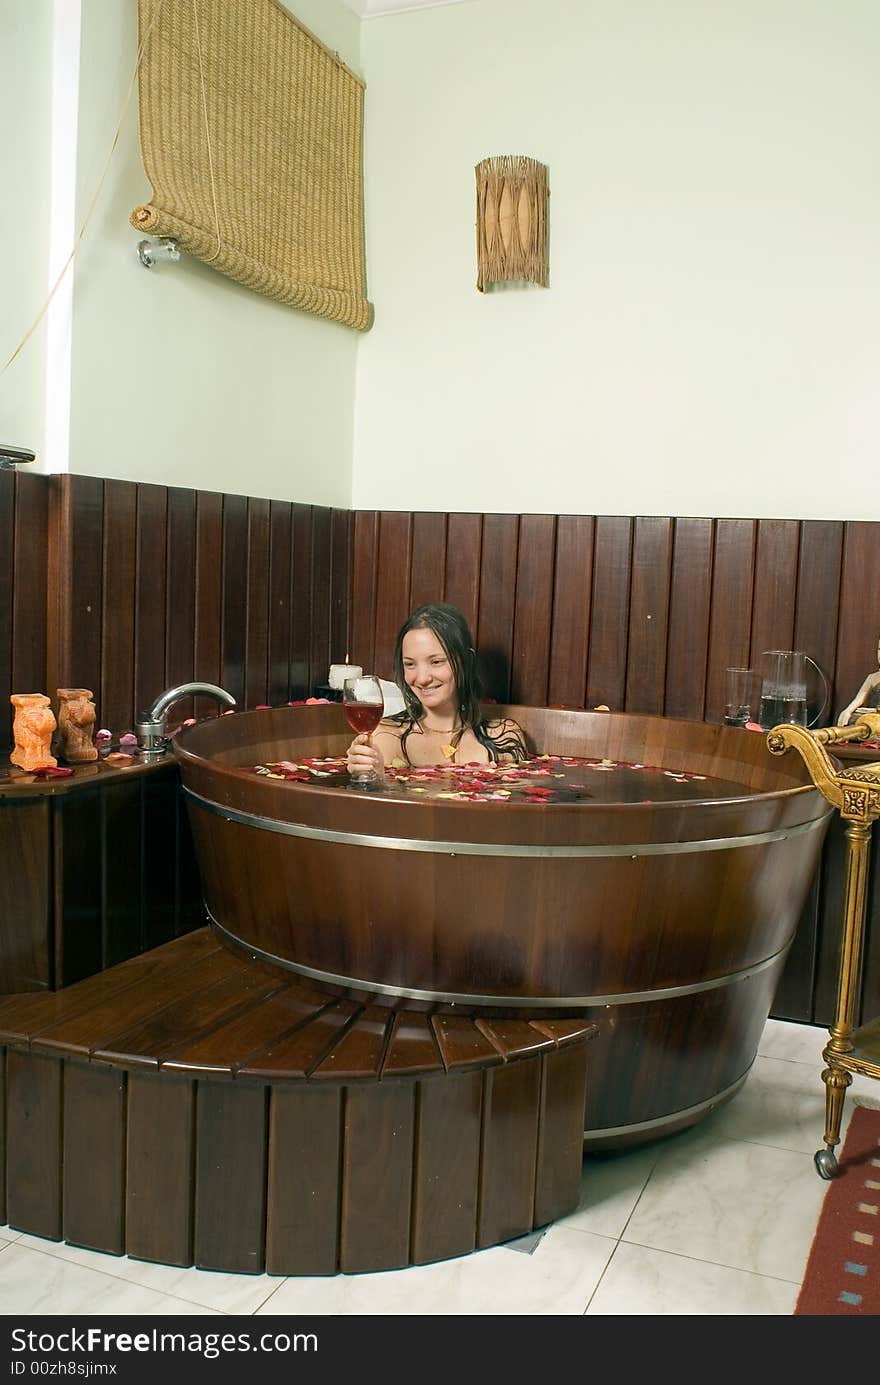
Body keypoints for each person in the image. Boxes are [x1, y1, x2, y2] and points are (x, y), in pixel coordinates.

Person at [346, 602, 529, 777]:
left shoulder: (503, 738)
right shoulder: (386, 738)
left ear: (466, 661)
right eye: (410, 664)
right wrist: (373, 779)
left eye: (436, 662)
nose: (423, 678)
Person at [837, 635, 880, 726]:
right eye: (879, 649)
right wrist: (847, 711)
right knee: (851, 718)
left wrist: (876, 710)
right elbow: (858, 700)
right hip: (871, 719)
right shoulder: (872, 678)